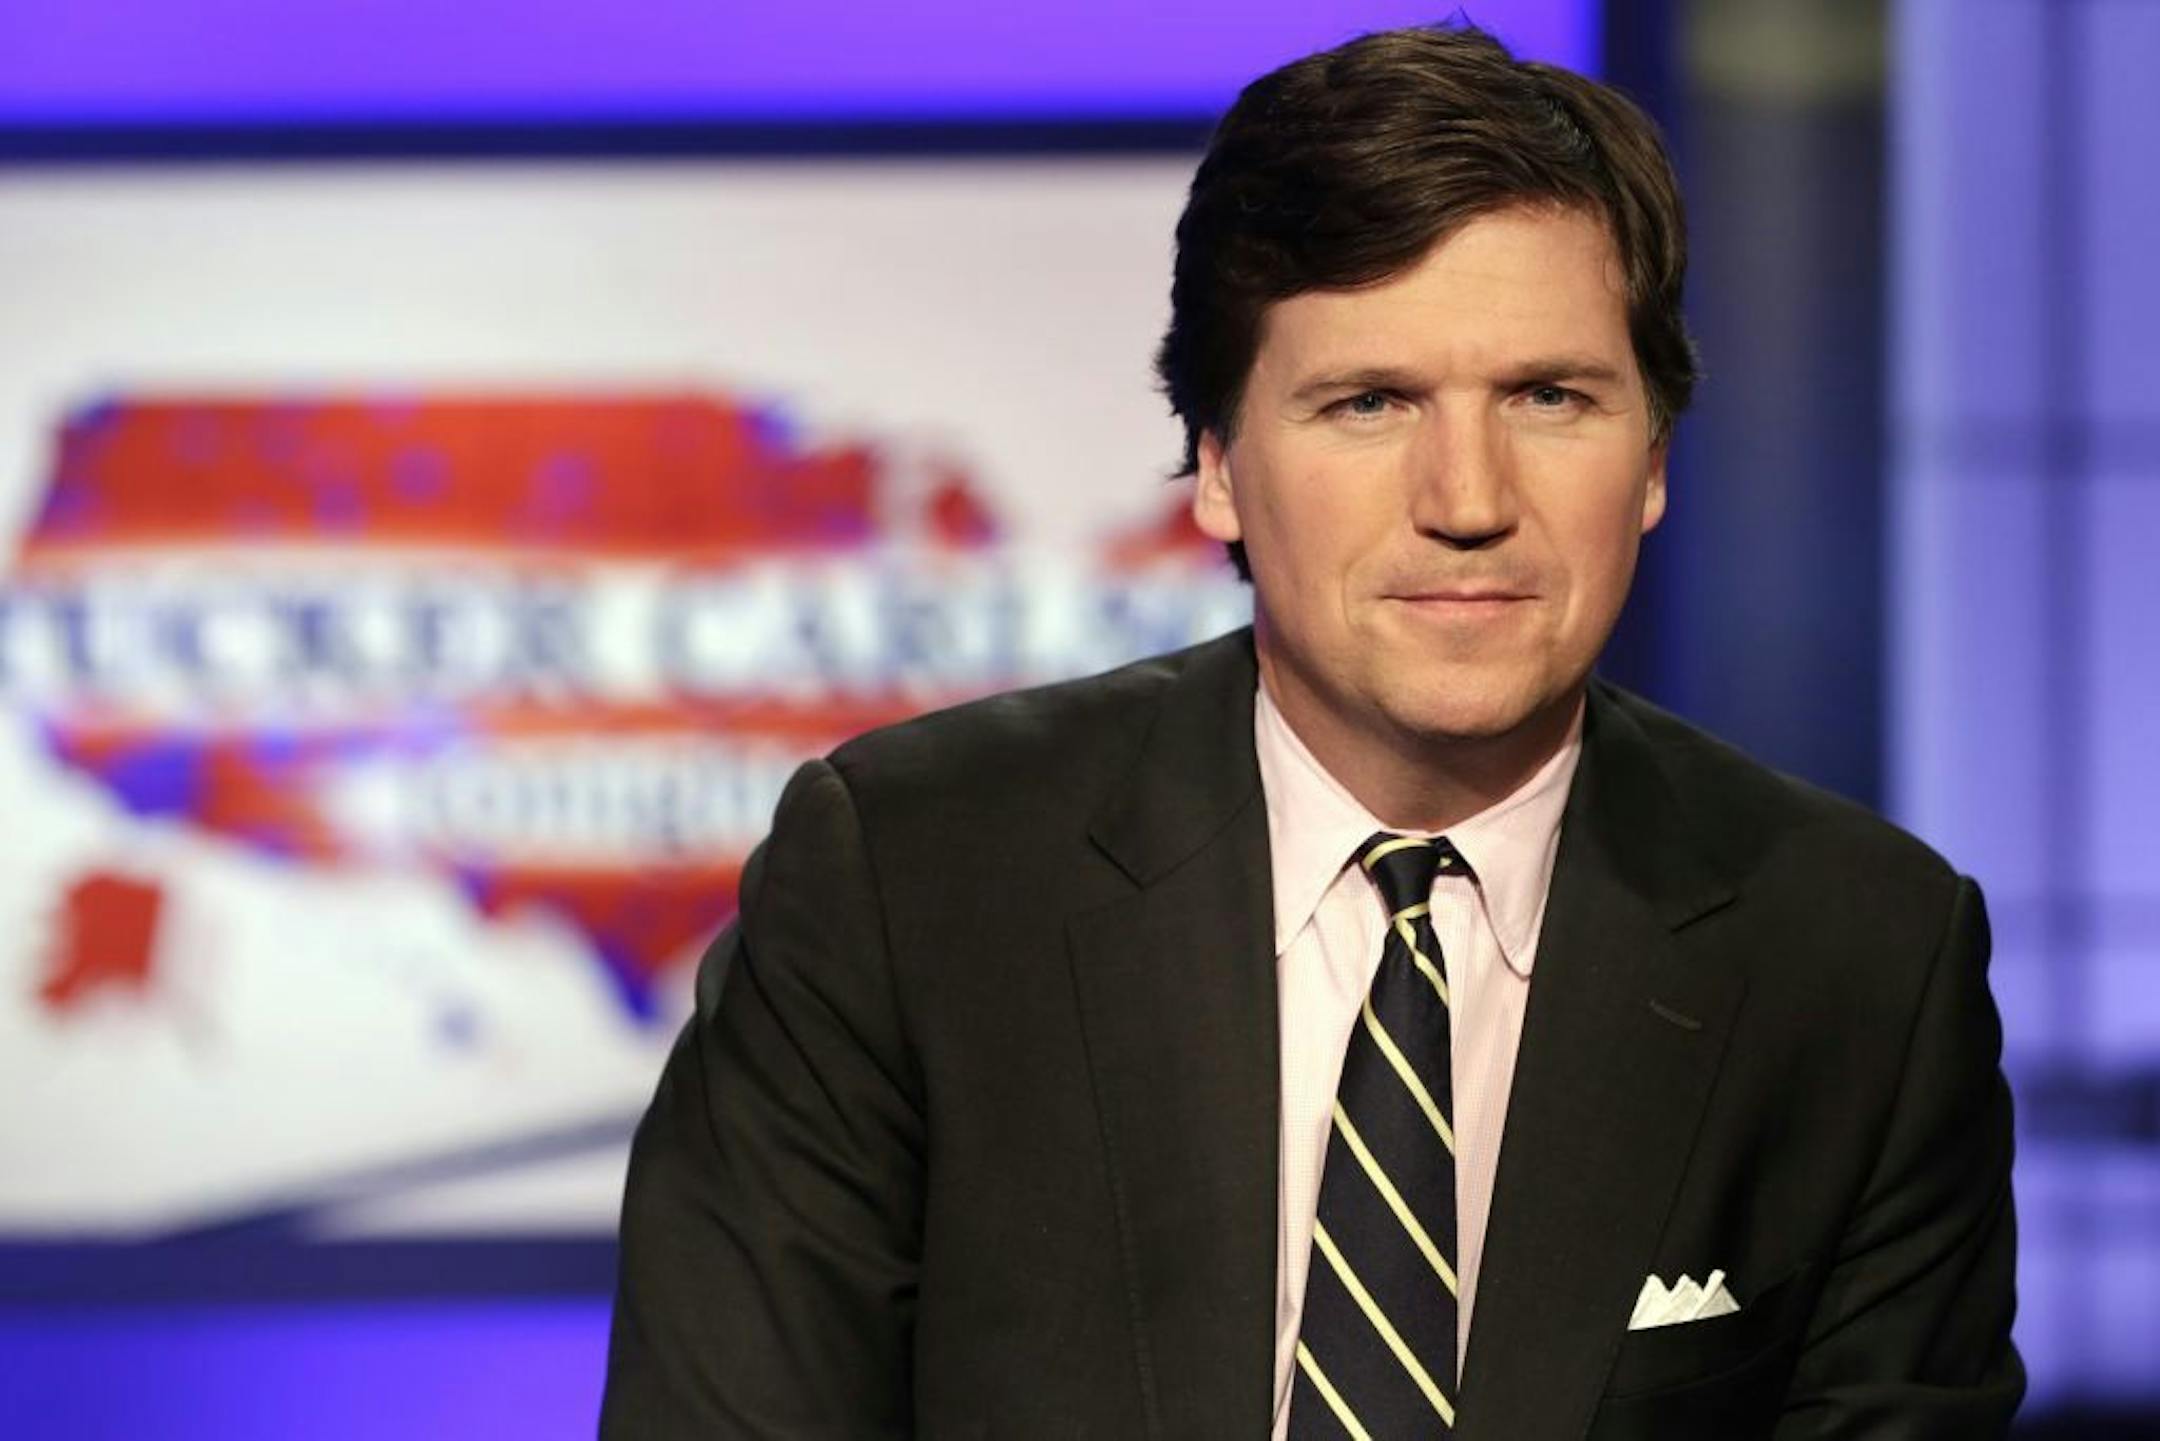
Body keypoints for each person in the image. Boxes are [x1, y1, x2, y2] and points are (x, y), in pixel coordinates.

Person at [600, 23, 2022, 1440]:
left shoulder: (1858, 960)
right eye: (1369, 402)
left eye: (1549, 397)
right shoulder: (903, 886)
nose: (1467, 496)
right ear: (1216, 466)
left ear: (1651, 460)